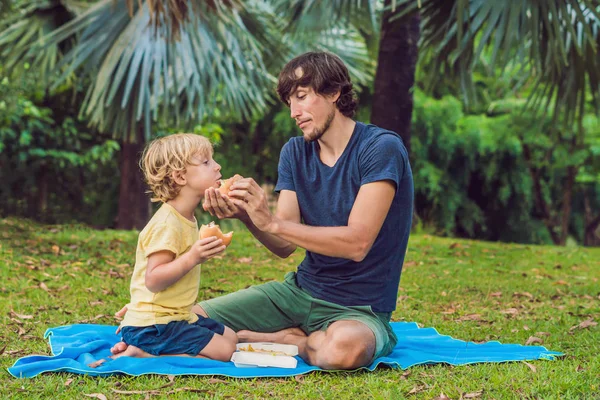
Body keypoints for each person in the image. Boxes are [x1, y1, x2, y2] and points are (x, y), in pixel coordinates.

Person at [114, 51, 413, 370]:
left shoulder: (380, 149)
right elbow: (284, 244)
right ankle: (278, 335)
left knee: (343, 353)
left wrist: (269, 219)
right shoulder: (296, 152)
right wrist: (245, 214)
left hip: (359, 308)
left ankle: (292, 341)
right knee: (188, 318)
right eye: (289, 103)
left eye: (301, 97)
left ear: (334, 92)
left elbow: (357, 243)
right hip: (298, 293)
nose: (294, 112)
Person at [111, 133, 238, 361]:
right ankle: (143, 352)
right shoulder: (167, 224)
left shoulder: (185, 217)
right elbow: (154, 279)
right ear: (180, 177)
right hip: (154, 324)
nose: (218, 166)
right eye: (207, 162)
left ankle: (145, 346)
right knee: (225, 352)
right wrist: (193, 257)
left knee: (230, 338)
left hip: (174, 316)